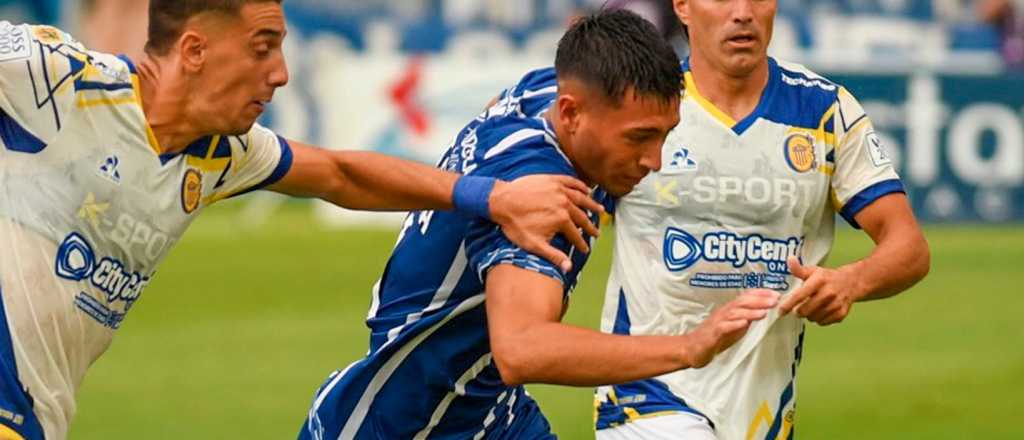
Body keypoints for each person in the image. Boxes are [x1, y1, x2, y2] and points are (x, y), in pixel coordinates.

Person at [0, 1, 605, 438]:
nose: (282, 72)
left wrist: (491, 197)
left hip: (41, 410)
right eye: (262, 47)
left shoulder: (220, 153)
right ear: (194, 50)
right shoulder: (58, 78)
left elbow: (341, 175)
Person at [300, 10, 782, 440]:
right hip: (411, 421)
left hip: (491, 411)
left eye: (664, 135)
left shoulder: (542, 92)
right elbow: (522, 348)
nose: (654, 160)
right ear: (572, 114)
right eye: (639, 138)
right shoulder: (542, 197)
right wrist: (688, 348)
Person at [593, 1, 931, 439]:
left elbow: (908, 246)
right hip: (647, 396)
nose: (743, 12)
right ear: (682, 7)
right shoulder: (637, 105)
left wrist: (852, 281)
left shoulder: (824, 110)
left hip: (761, 410)